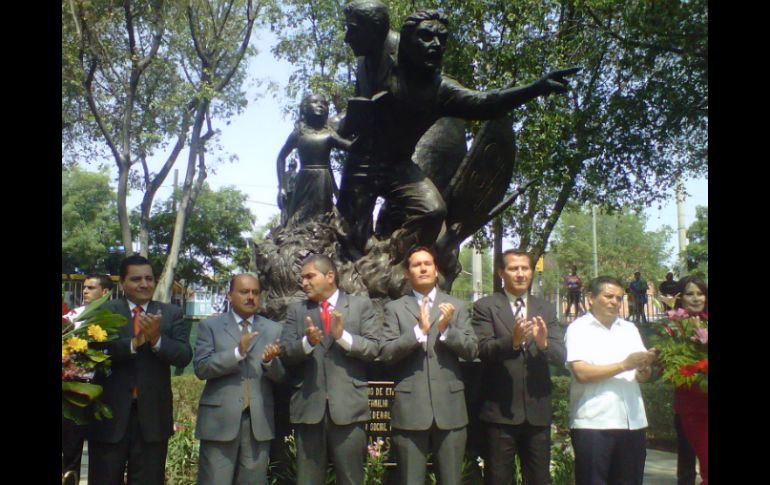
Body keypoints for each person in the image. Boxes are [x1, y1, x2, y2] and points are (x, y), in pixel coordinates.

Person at [338, 7, 579, 255]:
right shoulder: (376, 57)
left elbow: (487, 103)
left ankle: (387, 259)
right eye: (426, 37)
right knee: (349, 239)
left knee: (433, 211)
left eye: (442, 39)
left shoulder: (441, 89)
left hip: (397, 166)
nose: (436, 45)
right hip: (363, 162)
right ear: (407, 41)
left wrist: (535, 88)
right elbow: (369, 23)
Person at [88, 255, 193, 485]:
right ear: (122, 283)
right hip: (110, 418)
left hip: (152, 420)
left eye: (149, 278)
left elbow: (184, 356)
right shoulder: (105, 312)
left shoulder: (170, 314)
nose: (144, 284)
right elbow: (95, 352)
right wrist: (134, 344)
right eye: (136, 279)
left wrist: (156, 340)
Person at [380, 247, 478, 484]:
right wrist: (418, 332)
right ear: (407, 273)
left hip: (450, 408)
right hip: (410, 409)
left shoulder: (456, 306)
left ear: (436, 271)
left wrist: (446, 329)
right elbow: (385, 352)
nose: (423, 268)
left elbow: (472, 350)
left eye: (428, 264)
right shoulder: (394, 309)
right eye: (416, 265)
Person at [279, 254, 380, 485]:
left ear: (330, 276)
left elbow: (374, 348)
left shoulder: (359, 305)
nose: (304, 283)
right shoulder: (297, 311)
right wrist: (308, 343)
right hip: (309, 410)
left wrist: (341, 336)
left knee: (351, 479)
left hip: (348, 410)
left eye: (309, 276)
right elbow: (285, 352)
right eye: (302, 278)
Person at [472, 250, 566, 485]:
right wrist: (512, 342)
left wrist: (543, 344)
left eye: (525, 268)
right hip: (500, 412)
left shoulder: (546, 308)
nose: (521, 274)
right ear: (501, 272)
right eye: (514, 269)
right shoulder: (486, 307)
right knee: (499, 478)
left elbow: (560, 355)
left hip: (537, 413)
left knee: (539, 479)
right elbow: (482, 350)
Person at [193, 273, 285, 485]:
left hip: (258, 423)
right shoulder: (210, 327)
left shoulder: (273, 329)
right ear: (229, 295)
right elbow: (201, 367)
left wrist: (270, 363)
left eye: (255, 292)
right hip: (219, 421)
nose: (251, 297)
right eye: (244, 292)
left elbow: (283, 377)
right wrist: (237, 353)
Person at [564, 276, 657, 485]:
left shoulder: (629, 329)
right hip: (594, 424)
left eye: (619, 298)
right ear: (590, 298)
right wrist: (624, 365)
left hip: (633, 423)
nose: (614, 302)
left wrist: (643, 366)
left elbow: (643, 376)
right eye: (608, 296)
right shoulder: (578, 329)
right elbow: (582, 373)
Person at [62, 274, 113, 481]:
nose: (84, 291)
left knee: (102, 455)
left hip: (104, 391)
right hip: (74, 389)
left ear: (105, 292)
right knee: (71, 448)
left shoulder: (113, 317)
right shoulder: (74, 315)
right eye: (83, 287)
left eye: (91, 288)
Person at [276, 93, 354, 226]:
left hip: (323, 180)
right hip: (304, 180)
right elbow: (281, 158)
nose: (320, 105)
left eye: (324, 103)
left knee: (322, 218)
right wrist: (282, 187)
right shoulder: (299, 133)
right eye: (315, 102)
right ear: (305, 108)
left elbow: (351, 147)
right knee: (297, 219)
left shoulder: (329, 134)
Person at [672, 275, 708, 485]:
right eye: (689, 294)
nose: (696, 298)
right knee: (687, 468)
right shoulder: (672, 327)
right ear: (680, 298)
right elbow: (669, 367)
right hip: (690, 408)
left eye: (700, 293)